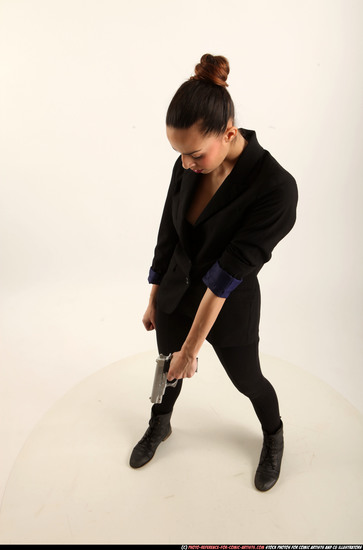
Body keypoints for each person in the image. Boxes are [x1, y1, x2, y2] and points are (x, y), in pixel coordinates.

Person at [129, 53, 298, 491]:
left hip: (230, 302)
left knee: (248, 380)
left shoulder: (275, 188)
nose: (185, 163)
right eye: (178, 154)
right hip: (176, 291)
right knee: (167, 367)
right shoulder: (187, 161)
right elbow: (168, 229)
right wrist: (153, 296)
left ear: (229, 132)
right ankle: (160, 423)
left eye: (194, 154)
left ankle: (274, 435)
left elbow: (227, 276)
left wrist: (192, 348)